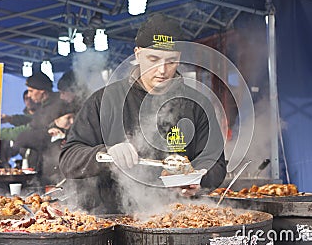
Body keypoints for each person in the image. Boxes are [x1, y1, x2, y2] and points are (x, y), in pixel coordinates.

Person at [59, 13, 227, 214]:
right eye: (153, 59)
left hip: (178, 219)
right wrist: (105, 153)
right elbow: (68, 159)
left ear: (179, 58)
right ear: (138, 55)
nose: (162, 70)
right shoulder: (106, 100)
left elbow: (216, 163)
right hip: (115, 219)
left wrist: (199, 180)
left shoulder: (197, 104)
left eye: (171, 61)